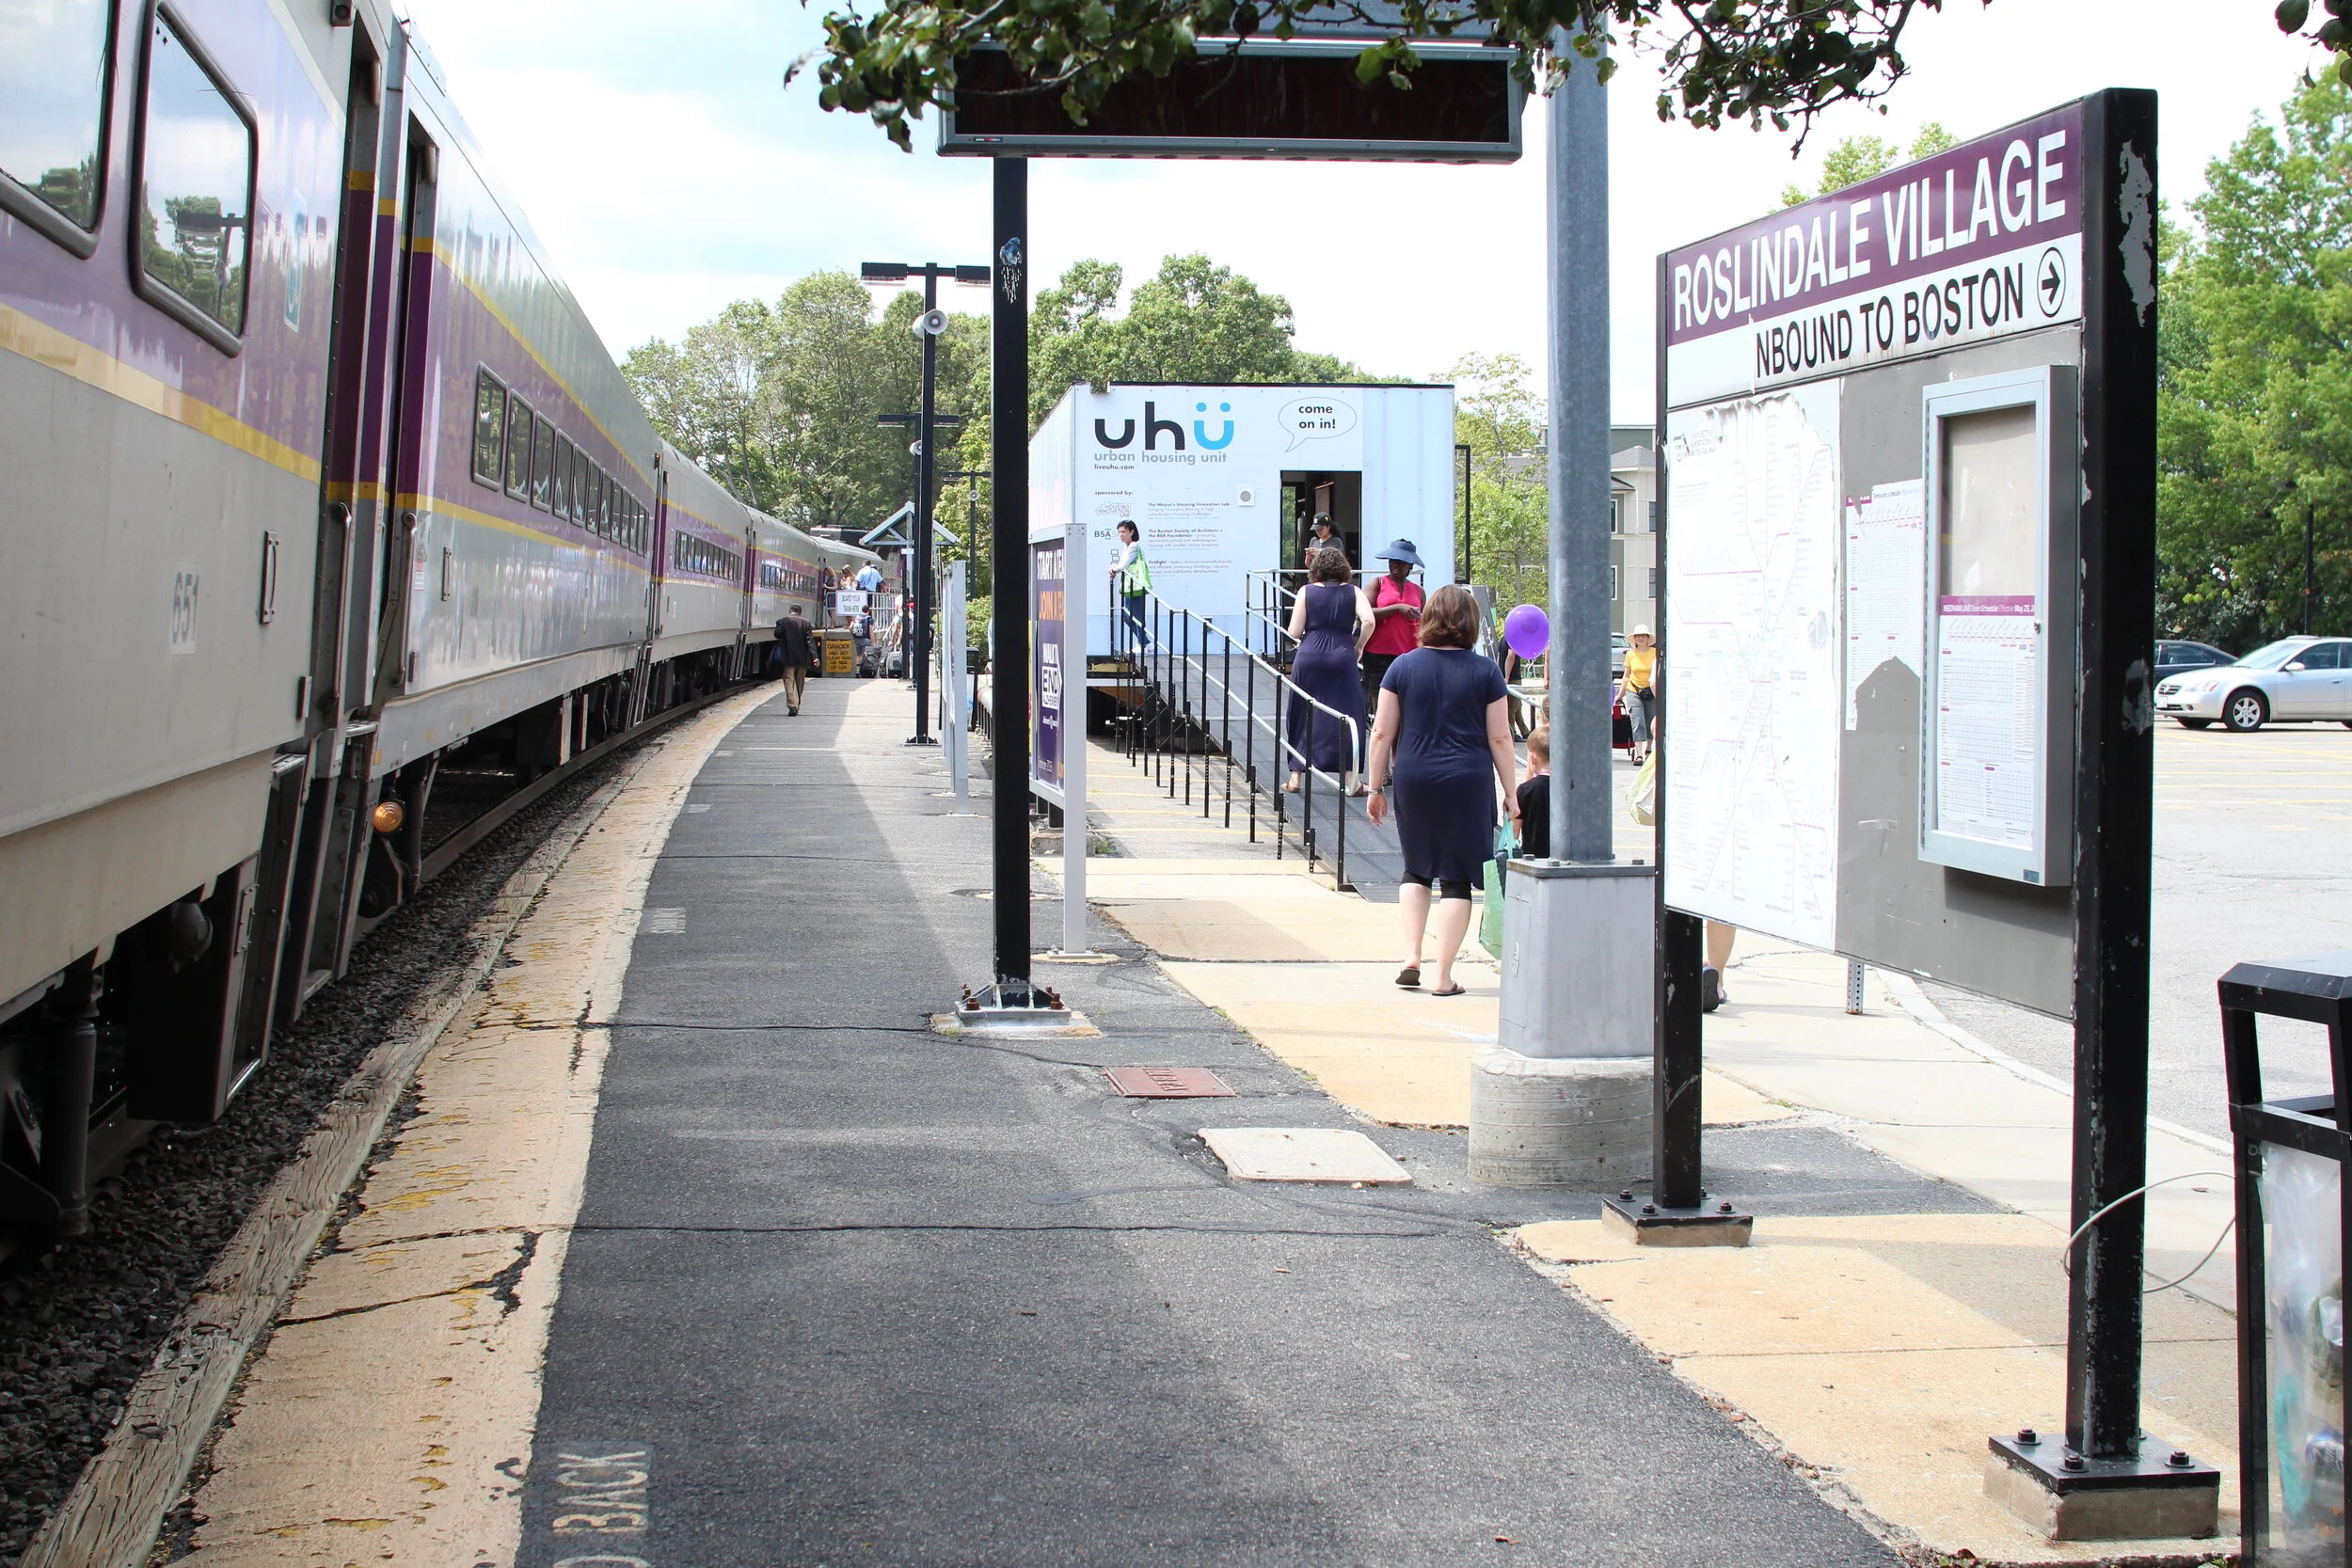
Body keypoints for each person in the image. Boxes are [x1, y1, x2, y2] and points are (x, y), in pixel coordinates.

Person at [1366, 585, 1518, 996]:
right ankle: (1442, 975)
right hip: (1467, 780)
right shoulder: (1486, 672)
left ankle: (1412, 955)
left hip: (1415, 778)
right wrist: (1511, 794)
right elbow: (1501, 739)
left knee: (1415, 867)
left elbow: (1381, 732)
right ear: (1470, 622)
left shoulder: (1402, 667)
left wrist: (1374, 786)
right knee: (1457, 879)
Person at [1284, 547, 1374, 795]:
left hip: (1310, 655)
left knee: (1303, 711)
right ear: (1344, 568)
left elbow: (1293, 631)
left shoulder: (1306, 592)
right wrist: (1359, 647)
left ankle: (1295, 777)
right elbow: (1369, 621)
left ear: (1317, 570)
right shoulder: (1353, 592)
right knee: (1350, 714)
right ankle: (1351, 781)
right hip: (1342, 656)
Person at [1361, 540, 1425, 709]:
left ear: (1410, 565)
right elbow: (1365, 613)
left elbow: (1426, 622)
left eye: (1401, 561)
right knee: (1380, 706)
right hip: (1378, 653)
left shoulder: (1419, 591)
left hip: (1409, 655)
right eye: (1392, 560)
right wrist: (1396, 608)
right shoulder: (1377, 583)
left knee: (1408, 704)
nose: (1395, 565)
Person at [1111, 521, 1151, 656]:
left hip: (1135, 586)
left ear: (1131, 532)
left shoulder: (1134, 547)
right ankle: (1146, 642)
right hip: (1129, 586)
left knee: (1135, 615)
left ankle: (1142, 644)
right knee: (1128, 616)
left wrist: (1113, 569)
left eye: (1123, 532)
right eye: (1119, 532)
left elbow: (1123, 565)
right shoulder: (1127, 548)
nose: (1120, 535)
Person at [1621, 624, 1658, 764]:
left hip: (1651, 689)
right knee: (1637, 721)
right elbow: (1626, 675)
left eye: (1643, 636)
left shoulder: (1654, 653)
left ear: (1648, 638)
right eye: (1638, 636)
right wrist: (1620, 695)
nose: (1640, 638)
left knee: (1650, 720)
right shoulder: (1630, 654)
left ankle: (1648, 749)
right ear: (1634, 639)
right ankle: (1639, 753)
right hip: (1634, 689)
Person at [1516, 724, 1550, 861]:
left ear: (1532, 759)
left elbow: (1514, 828)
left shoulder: (1526, 790)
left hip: (1533, 859)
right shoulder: (1570, 789)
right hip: (1566, 859)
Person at [774, 606, 816, 715]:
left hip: (789, 657)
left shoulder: (783, 621)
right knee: (800, 682)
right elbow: (810, 641)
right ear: (800, 612)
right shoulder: (807, 623)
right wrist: (815, 657)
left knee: (788, 680)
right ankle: (797, 704)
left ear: (790, 611)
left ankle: (792, 705)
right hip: (803, 658)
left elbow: (777, 635)